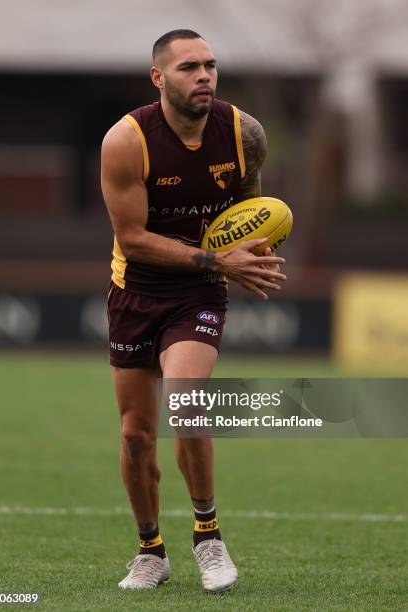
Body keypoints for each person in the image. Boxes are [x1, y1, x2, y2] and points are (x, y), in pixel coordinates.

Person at [101, 29, 286, 593]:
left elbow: (251, 209)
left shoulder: (243, 132)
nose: (203, 75)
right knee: (136, 434)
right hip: (136, 288)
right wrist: (221, 259)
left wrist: (252, 254)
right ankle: (150, 550)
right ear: (159, 77)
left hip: (200, 289)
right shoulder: (125, 141)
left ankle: (208, 537)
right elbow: (132, 239)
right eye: (188, 68)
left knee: (189, 404)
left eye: (209, 65)